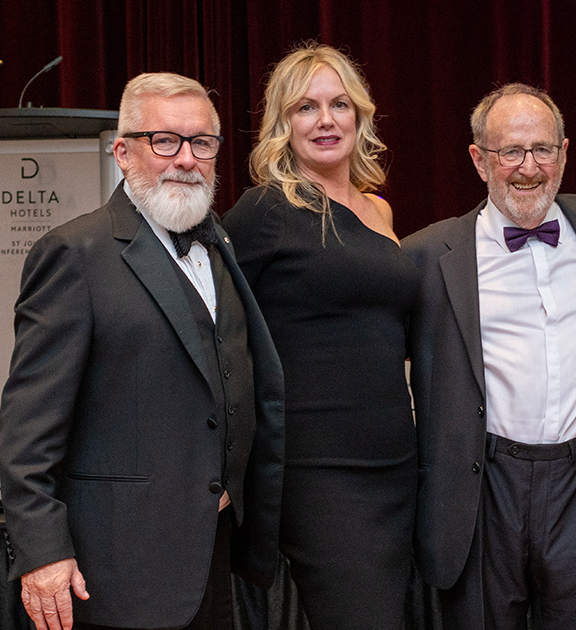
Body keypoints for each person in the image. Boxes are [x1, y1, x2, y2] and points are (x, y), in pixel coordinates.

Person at [0, 72, 285, 630]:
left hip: (211, 553)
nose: (185, 158)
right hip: (112, 570)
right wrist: (41, 552)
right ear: (123, 151)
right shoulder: (74, 254)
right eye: (164, 141)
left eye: (201, 142)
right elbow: (27, 429)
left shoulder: (218, 242)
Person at [401, 82, 576, 630]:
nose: (529, 168)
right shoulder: (428, 256)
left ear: (565, 153)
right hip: (482, 486)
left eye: (542, 149)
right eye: (510, 153)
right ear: (479, 160)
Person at [221, 44, 417, 629]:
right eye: (306, 107)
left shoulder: (378, 211)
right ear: (283, 125)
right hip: (319, 470)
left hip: (396, 460)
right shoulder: (265, 210)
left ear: (361, 116)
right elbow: (215, 326)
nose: (326, 120)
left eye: (339, 105)